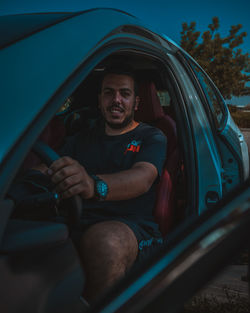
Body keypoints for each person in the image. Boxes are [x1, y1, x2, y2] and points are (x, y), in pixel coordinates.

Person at [35, 63, 167, 302]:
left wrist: (93, 185)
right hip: (75, 218)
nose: (116, 99)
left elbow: (143, 177)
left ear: (136, 103)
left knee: (106, 241)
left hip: (132, 227)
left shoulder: (151, 137)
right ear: (100, 100)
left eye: (125, 94)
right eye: (109, 92)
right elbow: (51, 167)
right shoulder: (81, 138)